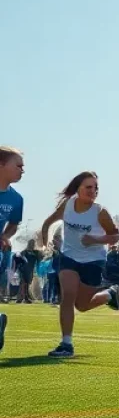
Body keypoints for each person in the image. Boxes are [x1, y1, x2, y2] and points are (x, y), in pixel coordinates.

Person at [39, 172, 119, 359]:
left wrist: (95, 239)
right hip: (68, 257)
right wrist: (44, 244)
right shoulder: (67, 205)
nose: (93, 191)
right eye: (89, 187)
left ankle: (110, 294)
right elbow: (48, 222)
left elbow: (116, 236)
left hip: (93, 260)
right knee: (67, 296)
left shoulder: (100, 212)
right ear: (78, 188)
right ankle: (66, 344)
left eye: (96, 188)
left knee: (83, 305)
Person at [0, 146, 24, 344]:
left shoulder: (17, 199)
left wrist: (6, 236)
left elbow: (14, 224)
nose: (22, 170)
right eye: (18, 166)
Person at [16, 239, 42, 304]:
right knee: (23, 283)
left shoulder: (35, 252)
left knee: (27, 284)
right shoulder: (24, 252)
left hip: (30, 270)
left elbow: (40, 259)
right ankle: (21, 298)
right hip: (23, 270)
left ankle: (24, 298)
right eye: (31, 243)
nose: (32, 245)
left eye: (33, 243)